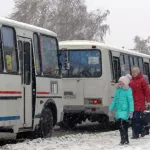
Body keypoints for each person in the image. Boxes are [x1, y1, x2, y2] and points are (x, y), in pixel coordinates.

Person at [108, 74, 134, 145]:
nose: (119, 83)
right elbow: (115, 101)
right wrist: (111, 108)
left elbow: (130, 101)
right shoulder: (118, 91)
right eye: (119, 81)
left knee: (123, 125)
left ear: (125, 83)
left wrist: (131, 110)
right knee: (120, 126)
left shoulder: (128, 90)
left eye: (121, 82)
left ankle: (124, 139)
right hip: (118, 111)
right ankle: (124, 139)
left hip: (125, 111)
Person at [130, 67, 150, 139]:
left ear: (138, 73)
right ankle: (137, 133)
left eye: (135, 72)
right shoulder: (131, 81)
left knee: (137, 118)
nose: (133, 73)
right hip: (132, 103)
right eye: (132, 72)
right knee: (134, 119)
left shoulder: (142, 81)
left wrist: (148, 101)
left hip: (140, 103)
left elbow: (147, 91)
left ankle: (140, 130)